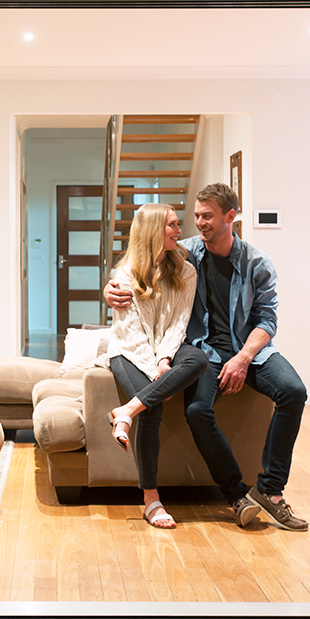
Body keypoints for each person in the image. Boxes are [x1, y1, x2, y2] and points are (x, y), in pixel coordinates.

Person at [104, 183, 309, 531]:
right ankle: (235, 495)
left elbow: (267, 321)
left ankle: (271, 492)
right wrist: (110, 287)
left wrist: (243, 358)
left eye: (207, 216)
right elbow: (143, 257)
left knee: (294, 391)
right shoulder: (186, 253)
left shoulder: (257, 263)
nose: (199, 223)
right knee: (198, 410)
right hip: (205, 350)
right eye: (196, 215)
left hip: (251, 351)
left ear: (231, 217)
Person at [104, 203, 209, 529]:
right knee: (152, 409)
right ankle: (152, 501)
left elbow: (178, 323)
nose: (181, 231)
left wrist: (165, 360)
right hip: (127, 352)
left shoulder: (186, 271)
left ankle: (125, 412)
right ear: (153, 231)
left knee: (199, 359)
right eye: (173, 225)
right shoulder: (124, 275)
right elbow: (132, 336)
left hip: (166, 349)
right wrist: (155, 374)